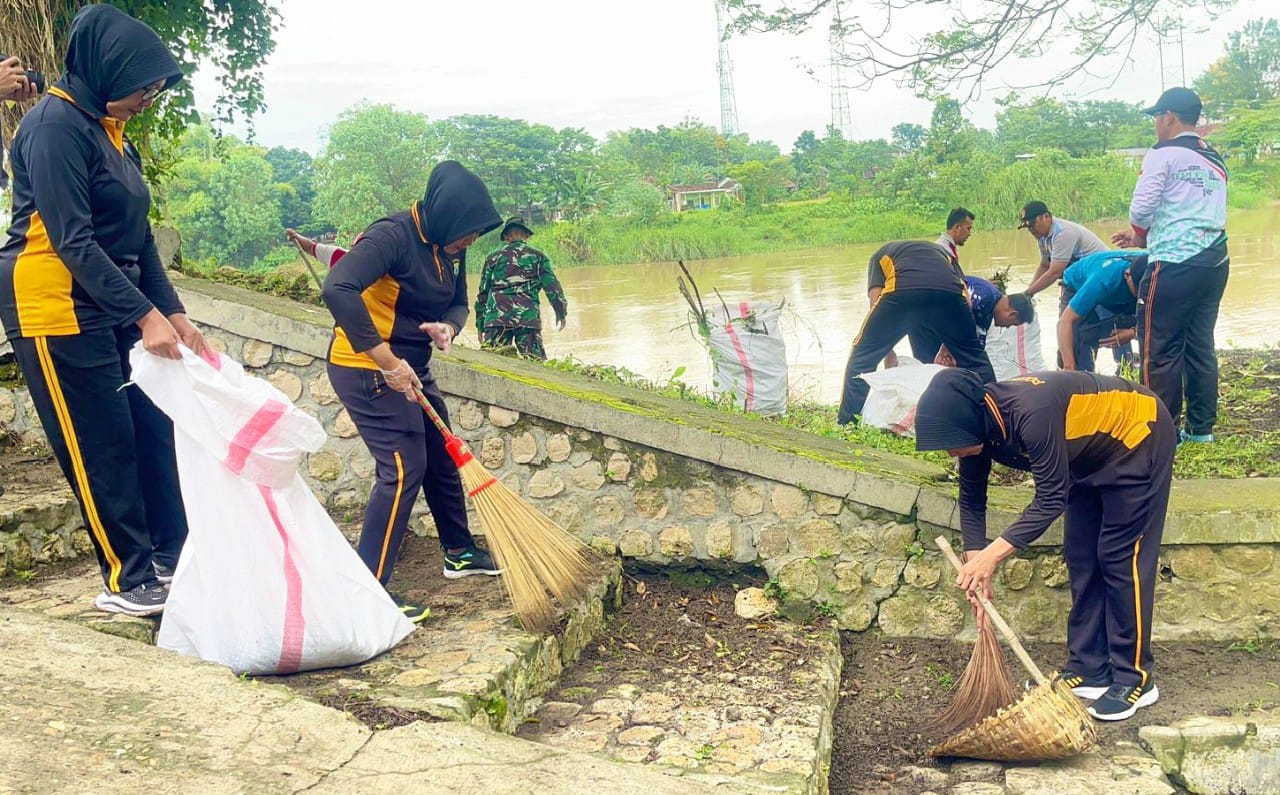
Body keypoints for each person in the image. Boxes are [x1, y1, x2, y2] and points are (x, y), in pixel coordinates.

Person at [0, 5, 200, 616]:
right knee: (101, 445)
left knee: (151, 431)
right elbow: (72, 240)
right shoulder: (53, 127)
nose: (149, 99)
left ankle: (172, 556)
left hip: (110, 299)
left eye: (156, 90)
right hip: (55, 304)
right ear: (107, 71)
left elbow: (139, 239)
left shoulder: (111, 134)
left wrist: (172, 311)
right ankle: (127, 577)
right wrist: (144, 317)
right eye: (143, 88)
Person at [915, 368, 1175, 721]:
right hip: (1086, 456)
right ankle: (1090, 668)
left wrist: (992, 558)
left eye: (952, 442)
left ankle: (1136, 678)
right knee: (1081, 556)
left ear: (971, 421)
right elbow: (972, 501)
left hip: (1138, 435)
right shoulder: (979, 430)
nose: (950, 452)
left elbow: (1051, 500)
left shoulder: (1031, 412)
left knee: (1120, 558)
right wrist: (976, 568)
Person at [321, 161, 503, 622]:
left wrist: (449, 328)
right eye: (467, 234)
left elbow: (459, 302)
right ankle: (368, 591)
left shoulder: (448, 245)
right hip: (366, 367)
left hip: (412, 367)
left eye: (474, 236)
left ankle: (459, 552)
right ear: (446, 214)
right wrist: (387, 362)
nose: (470, 243)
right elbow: (338, 288)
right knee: (403, 469)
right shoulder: (392, 236)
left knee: (443, 453)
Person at [1112, 87, 1229, 445]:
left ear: (1169, 117)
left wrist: (1138, 233)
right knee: (1199, 344)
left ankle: (1160, 433)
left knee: (1158, 349)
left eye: (1156, 117)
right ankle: (1200, 429)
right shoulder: (1214, 158)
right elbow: (1191, 211)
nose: (1155, 124)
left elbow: (1142, 209)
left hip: (1174, 264)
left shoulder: (1163, 153)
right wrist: (1142, 238)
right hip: (1214, 261)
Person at [836, 240, 996, 424]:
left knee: (862, 356)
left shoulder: (879, 255)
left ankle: (847, 423)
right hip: (949, 294)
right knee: (974, 357)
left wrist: (886, 351)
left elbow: (875, 300)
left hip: (903, 292)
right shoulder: (944, 255)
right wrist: (951, 343)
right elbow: (966, 299)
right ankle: (997, 415)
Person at [475, 216, 567, 360]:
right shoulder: (538, 257)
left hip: (497, 318)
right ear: (526, 235)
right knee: (534, 363)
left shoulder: (492, 258)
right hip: (527, 318)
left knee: (494, 361)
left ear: (506, 237)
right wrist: (560, 311)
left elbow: (483, 294)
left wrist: (480, 323)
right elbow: (552, 287)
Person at [914, 274, 1035, 367]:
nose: (1007, 327)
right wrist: (946, 349)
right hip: (925, 317)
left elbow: (977, 347)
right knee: (930, 367)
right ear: (1012, 314)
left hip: (937, 322)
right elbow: (955, 315)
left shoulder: (989, 308)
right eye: (1012, 324)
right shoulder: (982, 298)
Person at [1056, 251, 1147, 373]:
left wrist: (1133, 332)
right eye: (1138, 290)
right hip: (1077, 285)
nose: (1142, 294)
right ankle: (1082, 374)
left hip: (1119, 295)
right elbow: (1065, 321)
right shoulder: (1102, 281)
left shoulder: (1160, 271)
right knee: (1077, 342)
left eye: (1146, 291)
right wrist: (1069, 366)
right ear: (1127, 275)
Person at [1020, 201, 1110, 299]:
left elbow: (1055, 272)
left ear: (1046, 217)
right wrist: (1029, 292)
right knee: (1066, 307)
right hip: (1078, 277)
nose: (1031, 230)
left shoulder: (1063, 233)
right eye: (1028, 227)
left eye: (1033, 224)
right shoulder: (1042, 236)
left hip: (1101, 274)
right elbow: (1045, 265)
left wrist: (1027, 293)